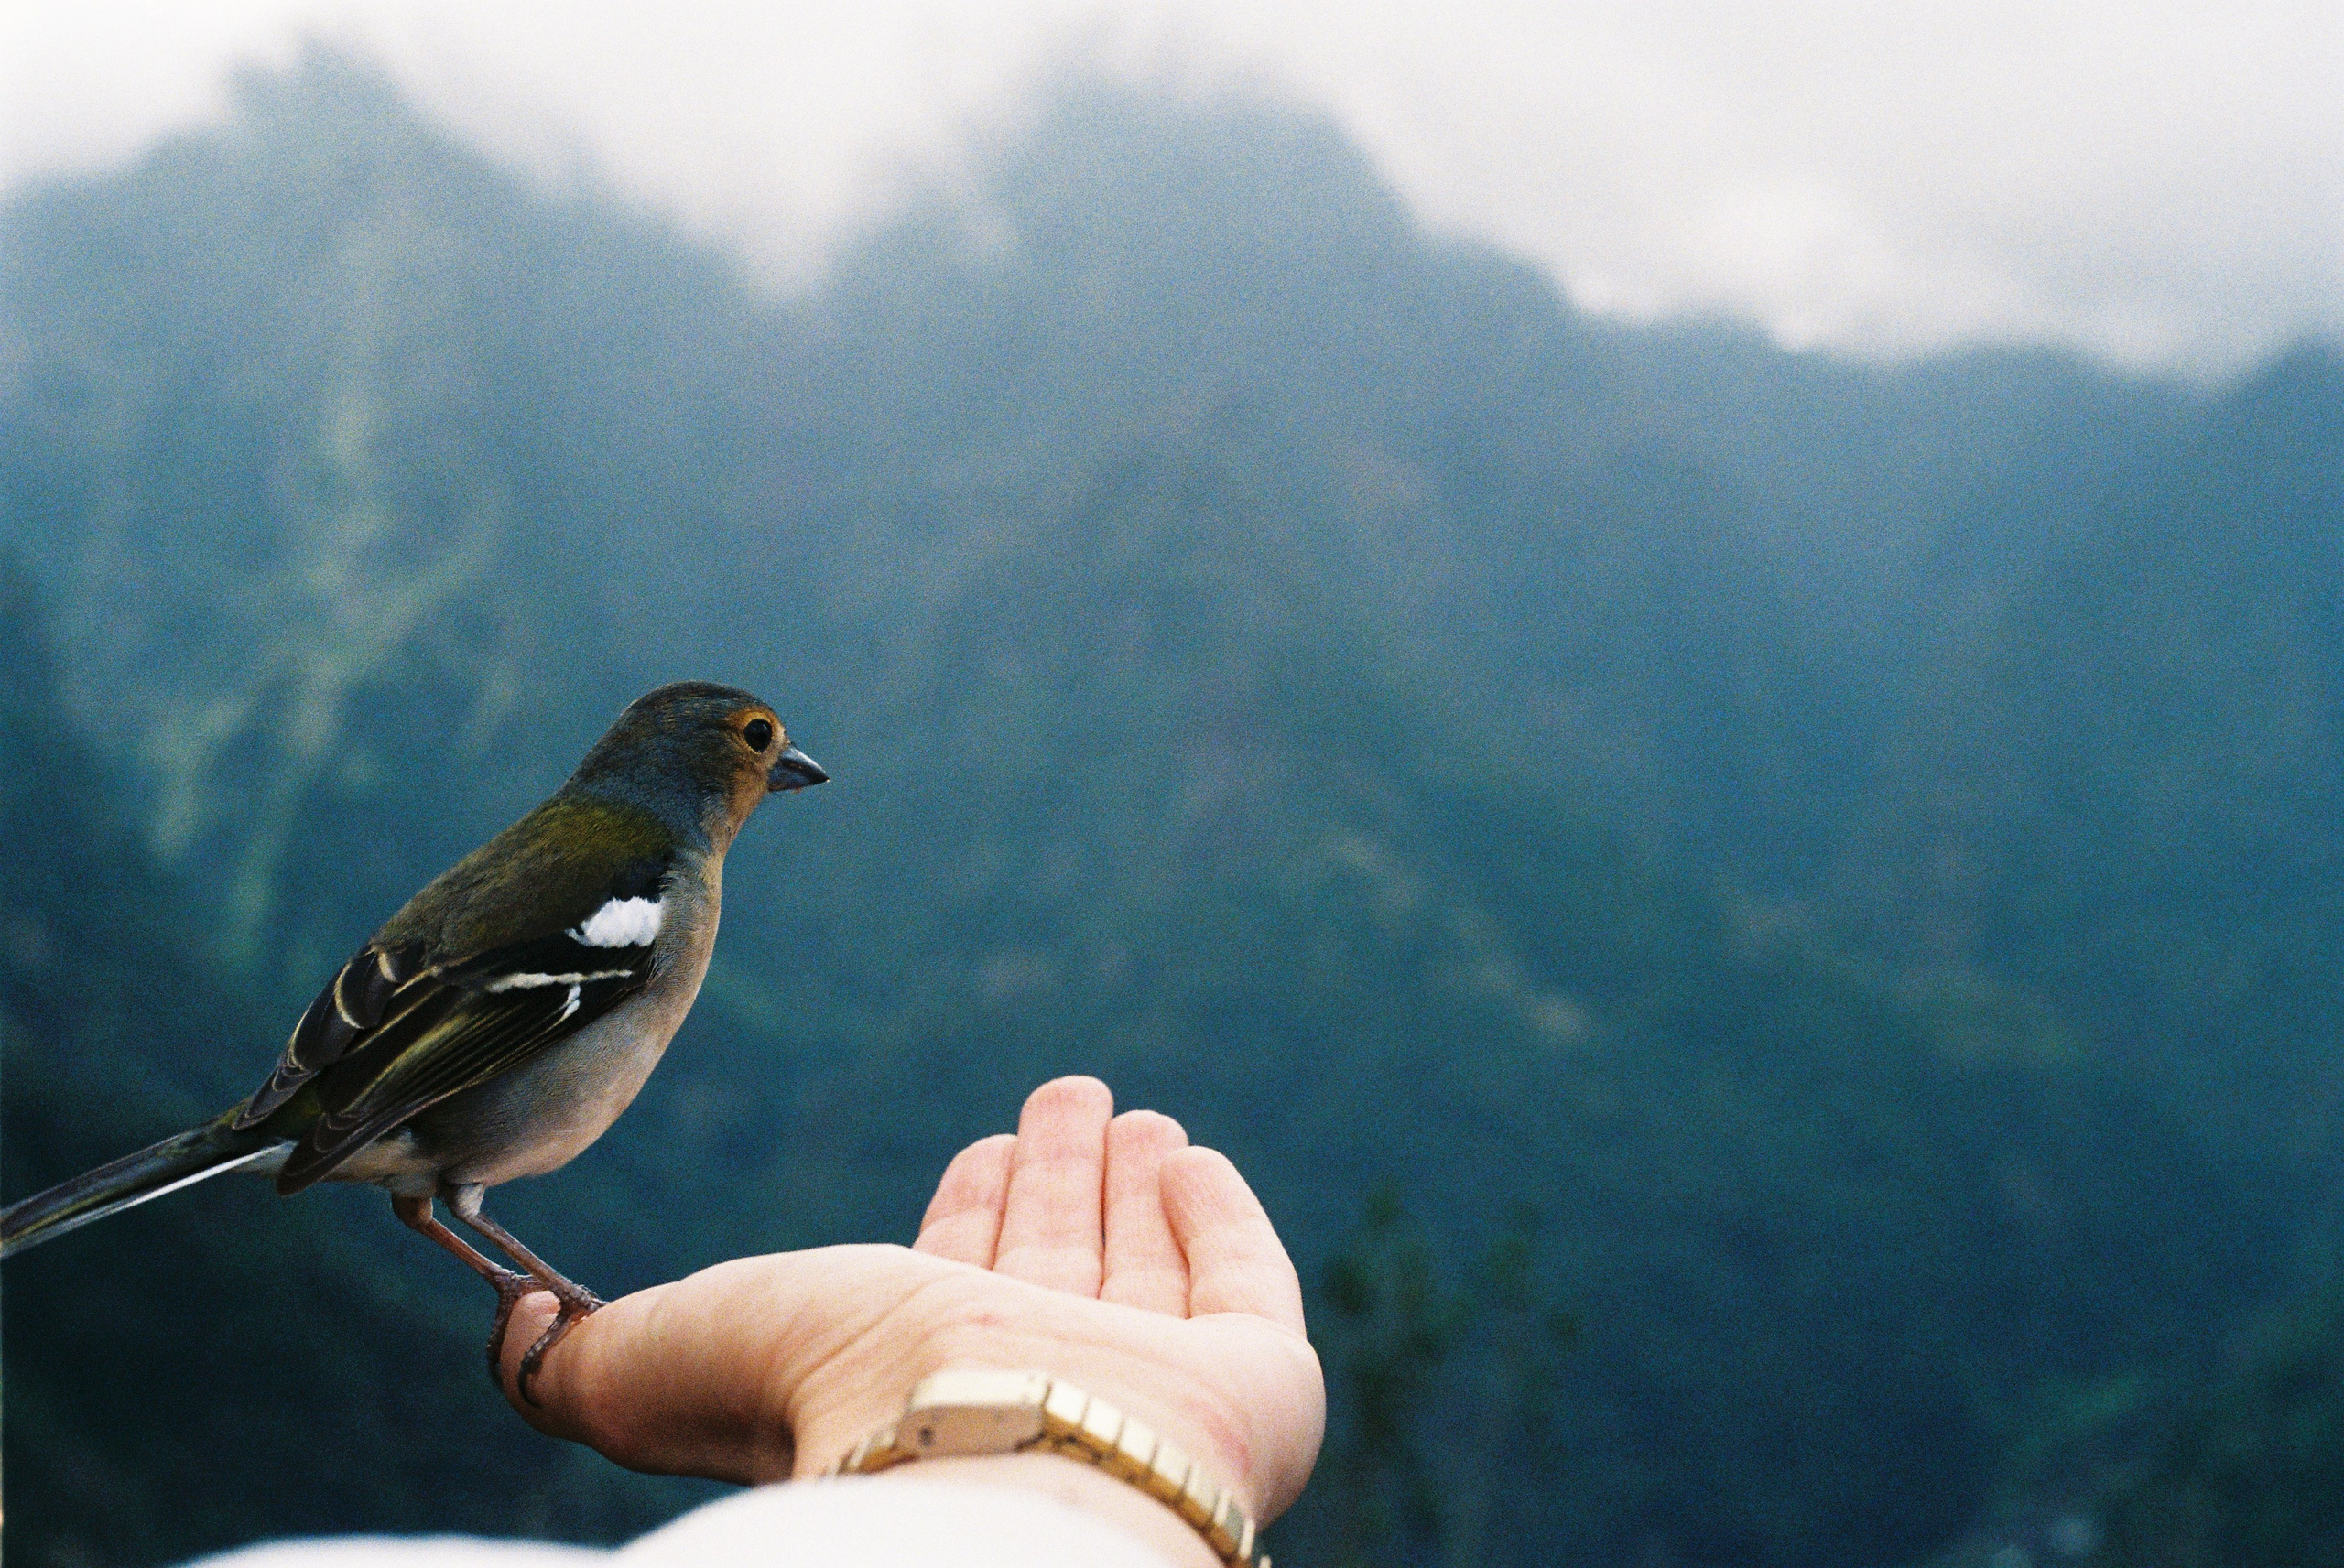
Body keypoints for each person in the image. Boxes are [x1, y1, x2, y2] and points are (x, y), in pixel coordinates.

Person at [199, 1076, 1325, 1568]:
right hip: (421, 1124)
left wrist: (1007, 1478)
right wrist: (1105, 1491)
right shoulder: (648, 895)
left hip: (379, 1113)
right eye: (754, 741)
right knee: (448, 1193)